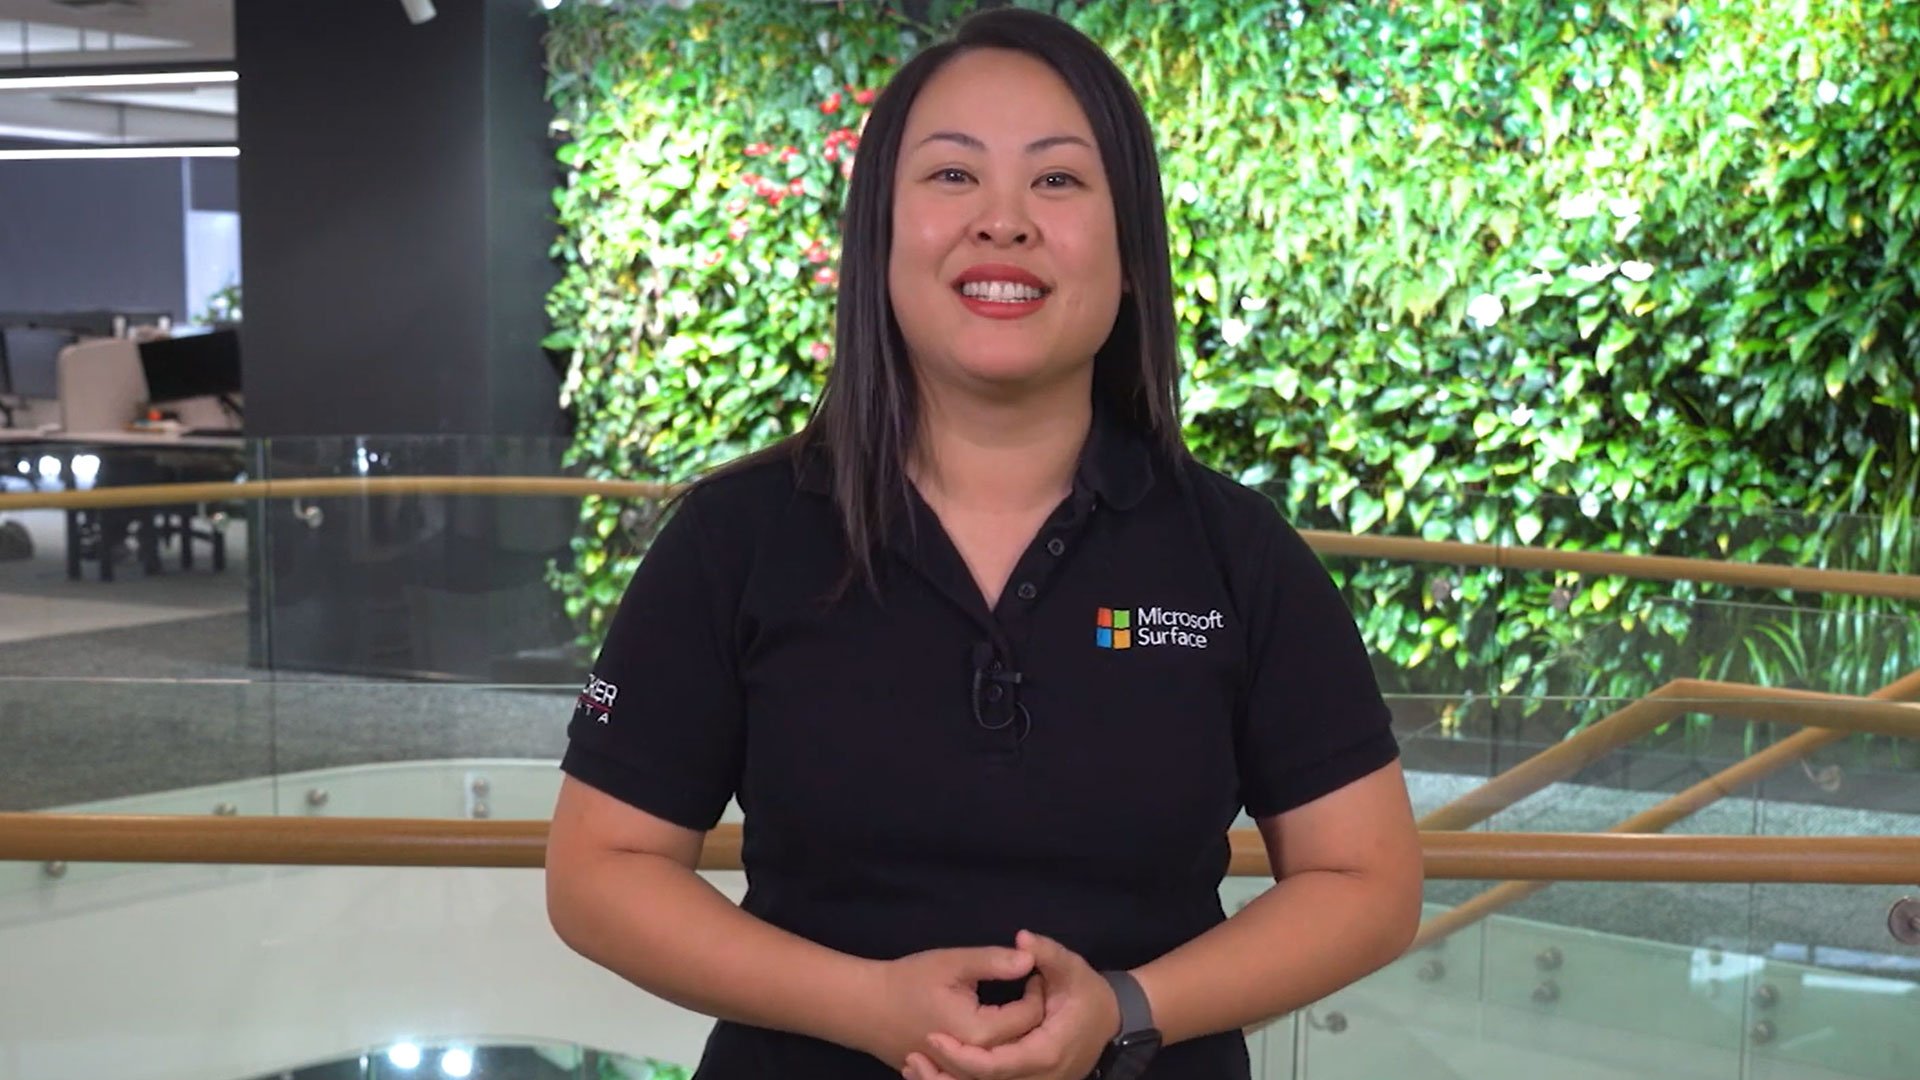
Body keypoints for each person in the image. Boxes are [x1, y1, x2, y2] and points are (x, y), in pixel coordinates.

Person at [544, 8, 1423, 1079]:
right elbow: (599, 870)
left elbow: (1368, 882)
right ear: (878, 238)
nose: (1003, 222)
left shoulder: (1237, 555)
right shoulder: (736, 539)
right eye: (953, 175)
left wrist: (1128, 1010)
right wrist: (866, 1006)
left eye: (1057, 180)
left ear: (1132, 254)